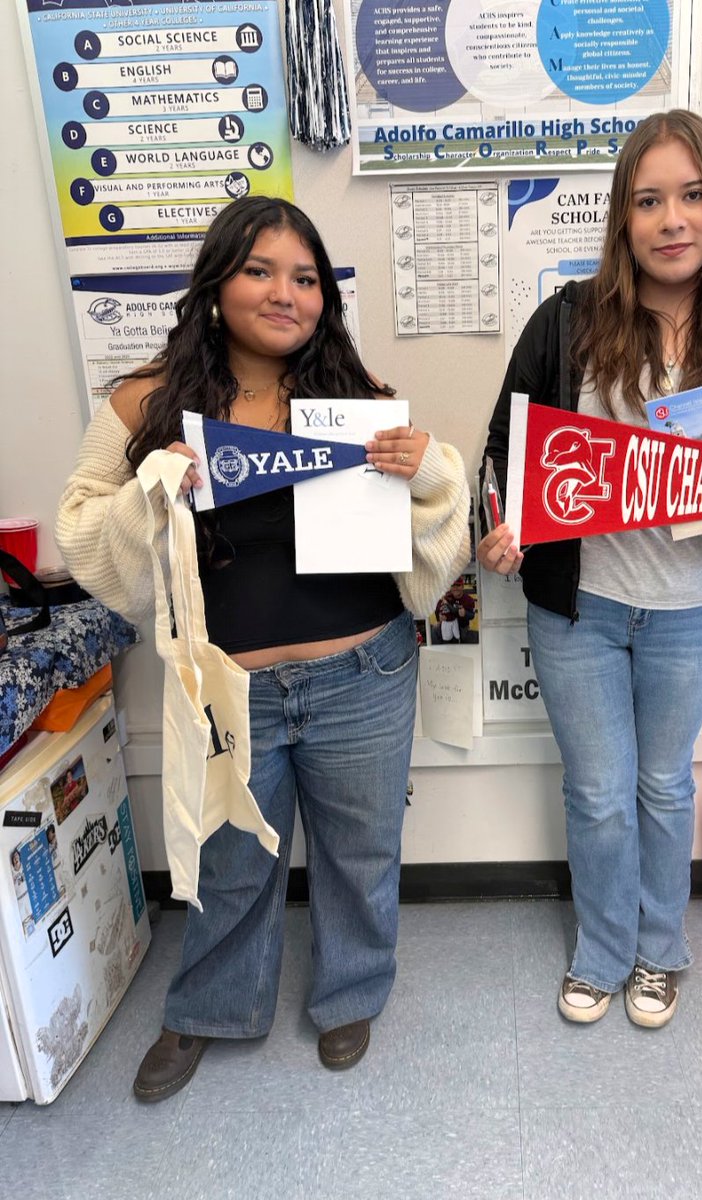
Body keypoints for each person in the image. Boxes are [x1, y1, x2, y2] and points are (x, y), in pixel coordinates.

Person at [56, 196, 470, 1099]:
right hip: (229, 688)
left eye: (307, 277)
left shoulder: (351, 401)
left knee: (362, 852)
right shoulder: (143, 400)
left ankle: (351, 992)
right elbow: (83, 532)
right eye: (260, 271)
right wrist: (152, 490)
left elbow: (440, 533)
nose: (286, 293)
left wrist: (427, 467)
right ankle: (209, 1006)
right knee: (230, 861)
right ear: (215, 284)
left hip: (365, 671)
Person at [478, 111, 702, 1028]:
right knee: (599, 792)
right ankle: (603, 952)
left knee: (661, 784)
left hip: (689, 607)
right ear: (622, 218)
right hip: (582, 609)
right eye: (648, 201)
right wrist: (501, 528)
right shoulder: (568, 318)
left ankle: (660, 952)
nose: (671, 219)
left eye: (691, 196)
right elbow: (505, 454)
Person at [435, 576, 476, 643]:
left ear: (462, 586)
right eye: (453, 585)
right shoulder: (446, 597)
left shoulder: (469, 600)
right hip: (447, 624)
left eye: (458, 585)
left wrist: (465, 613)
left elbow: (472, 615)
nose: (455, 588)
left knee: (464, 638)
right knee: (435, 630)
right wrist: (439, 617)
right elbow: (438, 609)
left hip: (462, 626)